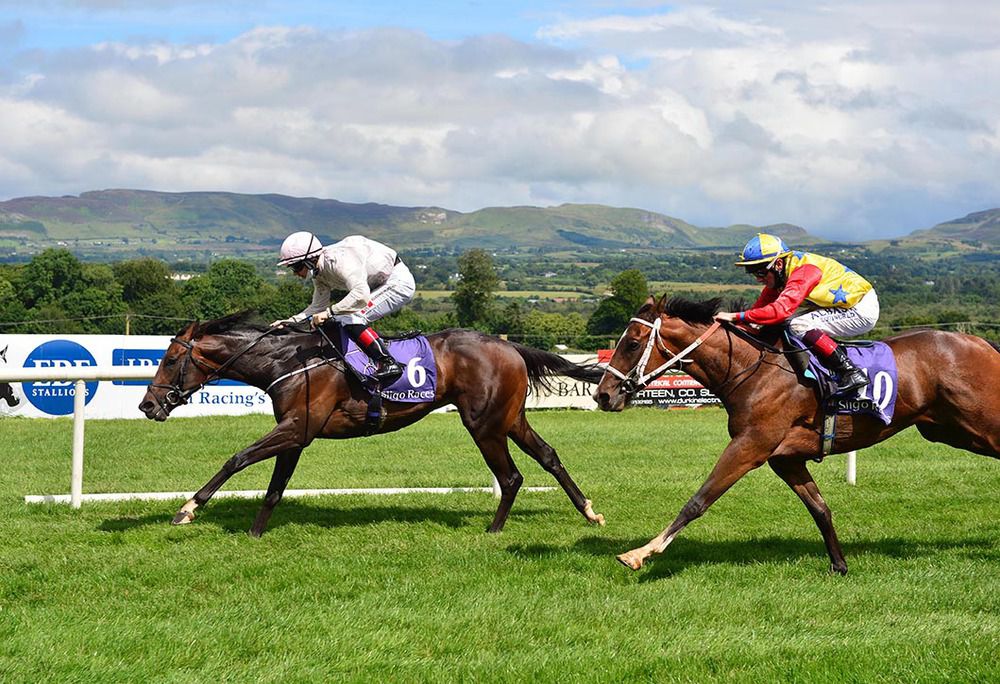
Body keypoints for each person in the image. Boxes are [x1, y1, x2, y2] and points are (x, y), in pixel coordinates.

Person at [714, 233, 879, 394]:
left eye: (761, 272)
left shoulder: (803, 272)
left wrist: (735, 316)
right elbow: (759, 312)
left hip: (859, 308)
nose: (758, 279)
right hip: (843, 305)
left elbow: (778, 311)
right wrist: (734, 325)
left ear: (778, 264)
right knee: (784, 324)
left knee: (798, 325)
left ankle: (850, 372)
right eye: (753, 272)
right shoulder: (780, 275)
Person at [270, 232, 415, 385]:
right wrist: (289, 322)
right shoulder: (319, 273)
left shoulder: (339, 261)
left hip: (397, 282)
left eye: (297, 267)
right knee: (338, 317)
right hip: (379, 284)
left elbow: (361, 295)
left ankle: (388, 362)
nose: (295, 273)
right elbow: (317, 307)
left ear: (310, 260)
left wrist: (329, 312)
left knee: (351, 317)